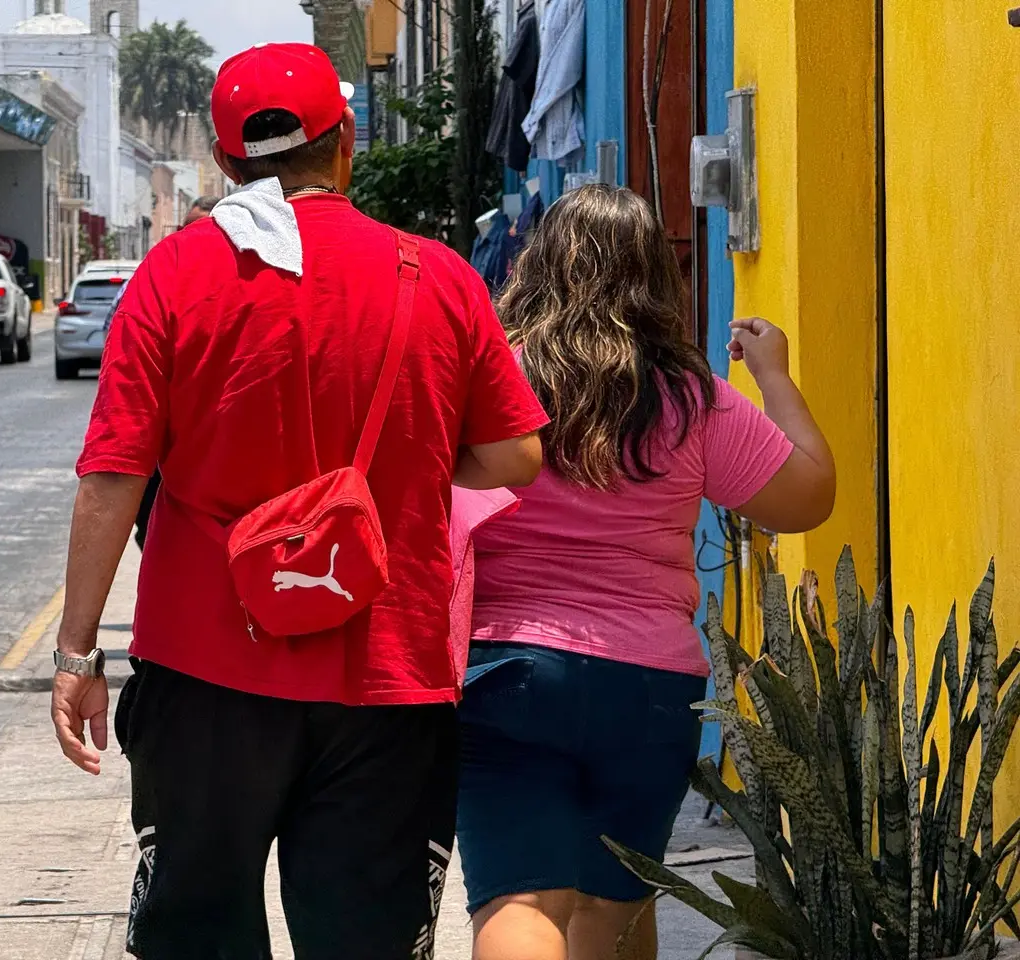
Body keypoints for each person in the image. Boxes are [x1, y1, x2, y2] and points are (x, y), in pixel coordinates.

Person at [50, 42, 548, 960]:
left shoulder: (173, 275)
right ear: (346, 143)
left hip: (204, 678)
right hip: (385, 677)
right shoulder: (436, 277)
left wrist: (77, 651)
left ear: (226, 158)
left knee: (196, 934)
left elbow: (114, 477)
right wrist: (405, 467)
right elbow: (517, 453)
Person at [453, 184, 835, 960]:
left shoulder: (495, 377)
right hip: (651, 685)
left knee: (522, 899)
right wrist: (775, 375)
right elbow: (808, 498)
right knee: (616, 902)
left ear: (538, 267)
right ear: (656, 278)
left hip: (509, 670)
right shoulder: (693, 399)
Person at [132, 194, 222, 552]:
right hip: (167, 456)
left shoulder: (245, 286)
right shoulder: (161, 281)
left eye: (203, 228)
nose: (191, 237)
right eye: (186, 228)